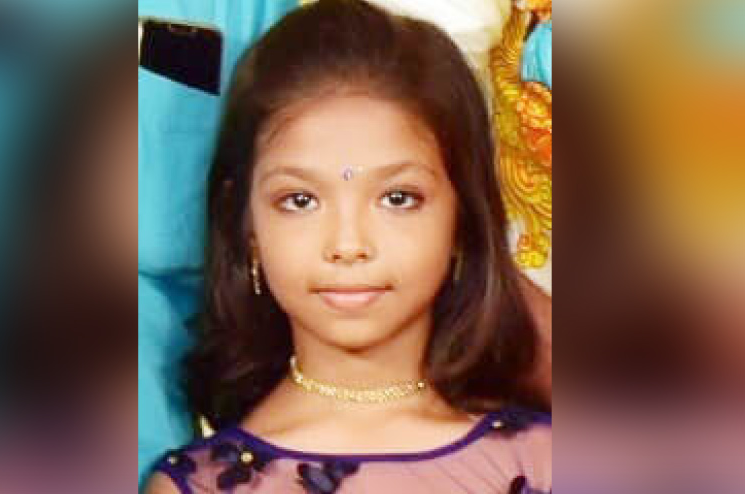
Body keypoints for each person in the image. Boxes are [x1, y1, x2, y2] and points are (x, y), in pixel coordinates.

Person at [145, 1, 550, 492]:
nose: (348, 244)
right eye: (300, 200)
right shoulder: (200, 485)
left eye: (397, 198)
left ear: (462, 219)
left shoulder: (548, 461)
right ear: (246, 225)